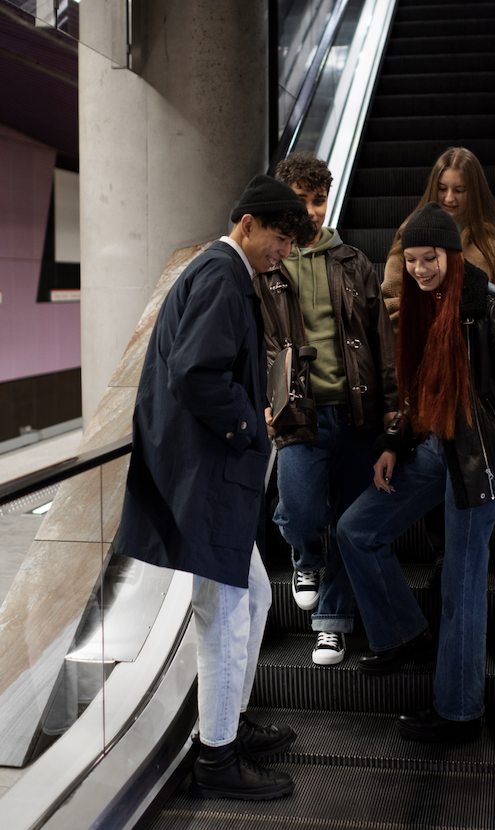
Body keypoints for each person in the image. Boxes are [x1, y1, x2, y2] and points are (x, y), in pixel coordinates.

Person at [117, 175, 316, 800]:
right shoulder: (223, 275)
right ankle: (217, 758)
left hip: (206, 470)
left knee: (253, 597)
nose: (284, 252)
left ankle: (230, 721)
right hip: (205, 475)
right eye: (280, 238)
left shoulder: (225, 272)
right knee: (227, 613)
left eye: (291, 243)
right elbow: (195, 373)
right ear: (248, 224)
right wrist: (247, 422)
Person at [337, 202, 495, 742]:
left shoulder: (487, 303)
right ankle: (403, 633)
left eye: (429, 258)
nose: (419, 269)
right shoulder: (423, 307)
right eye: (412, 260)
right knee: (356, 529)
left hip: (477, 459)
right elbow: (420, 390)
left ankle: (460, 711)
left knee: (462, 585)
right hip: (436, 447)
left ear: (452, 255)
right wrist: (395, 441)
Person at [253, 151, 398, 666]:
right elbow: (251, 344)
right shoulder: (266, 263)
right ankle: (305, 554)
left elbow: (381, 342)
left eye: (320, 200)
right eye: (302, 199)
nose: (312, 211)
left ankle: (332, 625)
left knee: (349, 521)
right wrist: (261, 400)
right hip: (297, 414)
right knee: (301, 510)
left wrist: (390, 410)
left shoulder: (353, 262)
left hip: (356, 414)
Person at [383, 146, 495, 370]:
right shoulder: (412, 233)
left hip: (481, 360)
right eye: (442, 188)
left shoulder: (492, 239)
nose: (449, 198)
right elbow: (392, 298)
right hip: (426, 360)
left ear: (474, 191)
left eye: (459, 190)